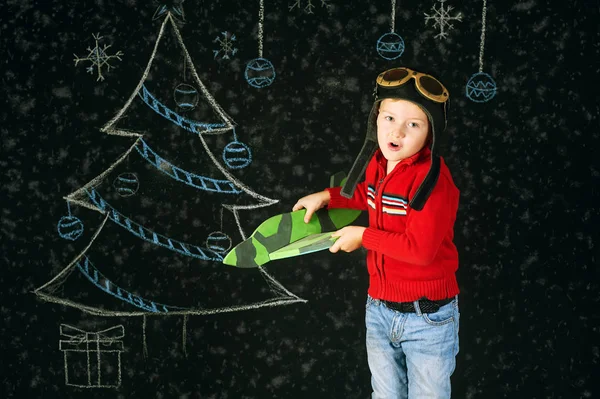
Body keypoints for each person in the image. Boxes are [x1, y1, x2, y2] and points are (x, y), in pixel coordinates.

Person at [293, 67, 460, 398]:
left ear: (430, 133)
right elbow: (360, 194)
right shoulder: (378, 163)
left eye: (413, 124)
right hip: (380, 310)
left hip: (427, 318)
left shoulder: (434, 182)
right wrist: (328, 196)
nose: (396, 131)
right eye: (388, 118)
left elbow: (420, 250)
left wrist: (363, 236)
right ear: (375, 120)